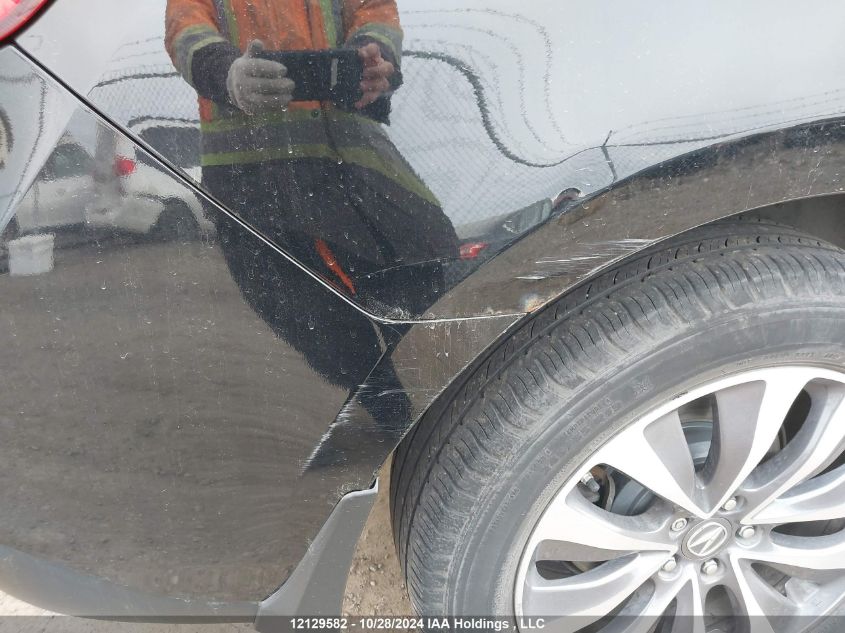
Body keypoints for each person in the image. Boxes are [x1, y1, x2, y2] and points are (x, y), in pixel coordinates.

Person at [164, 0, 458, 422]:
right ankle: (394, 414)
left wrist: (375, 56)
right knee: (316, 324)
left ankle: (441, 405)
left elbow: (374, 10)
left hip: (355, 170)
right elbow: (187, 33)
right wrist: (227, 74)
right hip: (255, 185)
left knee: (417, 291)